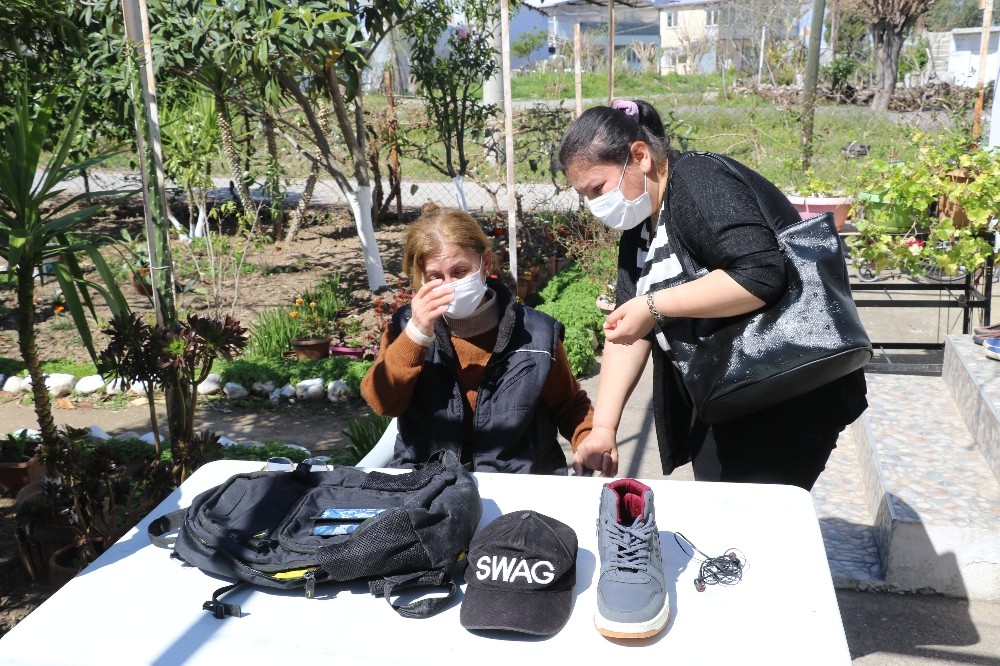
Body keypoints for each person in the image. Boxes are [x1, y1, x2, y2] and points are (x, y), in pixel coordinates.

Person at [558, 99, 868, 490]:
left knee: (746, 529)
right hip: (730, 392)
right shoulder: (638, 229)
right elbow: (627, 328)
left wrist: (653, 306)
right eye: (584, 195)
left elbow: (760, 274)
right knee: (723, 514)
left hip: (787, 392)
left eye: (597, 188)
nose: (594, 205)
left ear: (640, 157)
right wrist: (603, 428)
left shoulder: (697, 180)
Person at [361, 204, 602, 475]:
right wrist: (417, 334)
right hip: (429, 482)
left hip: (518, 481)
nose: (449, 285)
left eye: (460, 271)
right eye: (435, 277)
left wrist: (588, 439)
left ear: (485, 263)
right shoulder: (406, 327)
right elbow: (383, 402)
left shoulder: (536, 332)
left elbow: (569, 405)